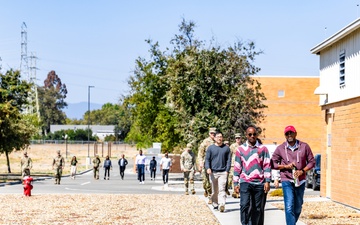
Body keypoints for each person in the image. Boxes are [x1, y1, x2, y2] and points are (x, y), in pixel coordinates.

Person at [271, 125, 315, 225]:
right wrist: (285, 167)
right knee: (289, 206)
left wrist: (302, 171)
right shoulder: (280, 148)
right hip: (286, 179)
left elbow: (312, 162)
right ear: (285, 135)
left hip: (301, 180)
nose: (289, 135)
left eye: (291, 132)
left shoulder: (304, 146)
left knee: (298, 206)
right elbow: (273, 163)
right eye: (287, 133)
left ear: (295, 133)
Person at [233, 126, 271, 225]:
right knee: (244, 205)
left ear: (256, 135)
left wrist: (267, 181)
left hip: (259, 183)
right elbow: (237, 167)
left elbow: (267, 165)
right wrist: (235, 183)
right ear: (246, 135)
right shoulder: (240, 149)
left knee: (257, 208)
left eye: (254, 134)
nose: (252, 136)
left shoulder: (263, 149)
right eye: (250, 134)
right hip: (245, 181)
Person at [205, 131, 232, 213]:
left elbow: (228, 160)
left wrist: (227, 170)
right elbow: (207, 159)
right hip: (213, 172)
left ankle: (222, 204)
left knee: (222, 189)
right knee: (214, 190)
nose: (219, 138)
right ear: (215, 138)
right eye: (218, 137)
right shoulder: (210, 148)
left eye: (221, 137)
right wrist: (208, 168)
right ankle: (215, 203)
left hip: (223, 172)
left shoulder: (226, 148)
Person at [198, 127, 216, 204]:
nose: (213, 135)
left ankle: (210, 197)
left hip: (215, 164)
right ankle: (206, 190)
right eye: (212, 133)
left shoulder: (218, 141)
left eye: (214, 133)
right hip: (206, 164)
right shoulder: (205, 142)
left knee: (213, 181)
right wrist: (200, 162)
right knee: (206, 181)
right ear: (209, 134)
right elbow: (200, 153)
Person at [229, 133, 242, 198]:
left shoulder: (243, 146)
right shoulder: (232, 146)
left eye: (239, 138)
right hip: (233, 164)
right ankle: (235, 191)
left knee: (240, 179)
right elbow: (229, 155)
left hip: (241, 165)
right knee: (233, 178)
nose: (237, 139)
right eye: (236, 138)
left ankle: (238, 191)